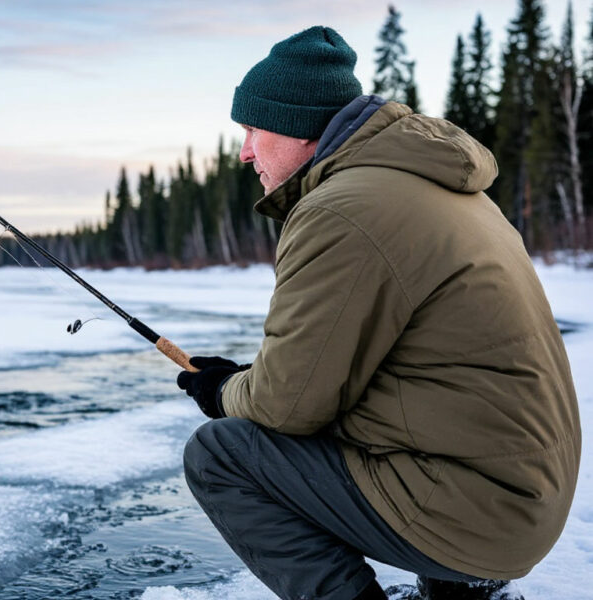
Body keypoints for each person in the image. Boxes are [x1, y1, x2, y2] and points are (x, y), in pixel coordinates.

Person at [176, 26, 581, 600]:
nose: (244, 151)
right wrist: (253, 381)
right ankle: (463, 591)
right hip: (524, 491)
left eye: (252, 129)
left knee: (221, 455)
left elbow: (286, 406)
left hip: (483, 511)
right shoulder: (437, 185)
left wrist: (223, 393)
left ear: (297, 125)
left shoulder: (343, 209)